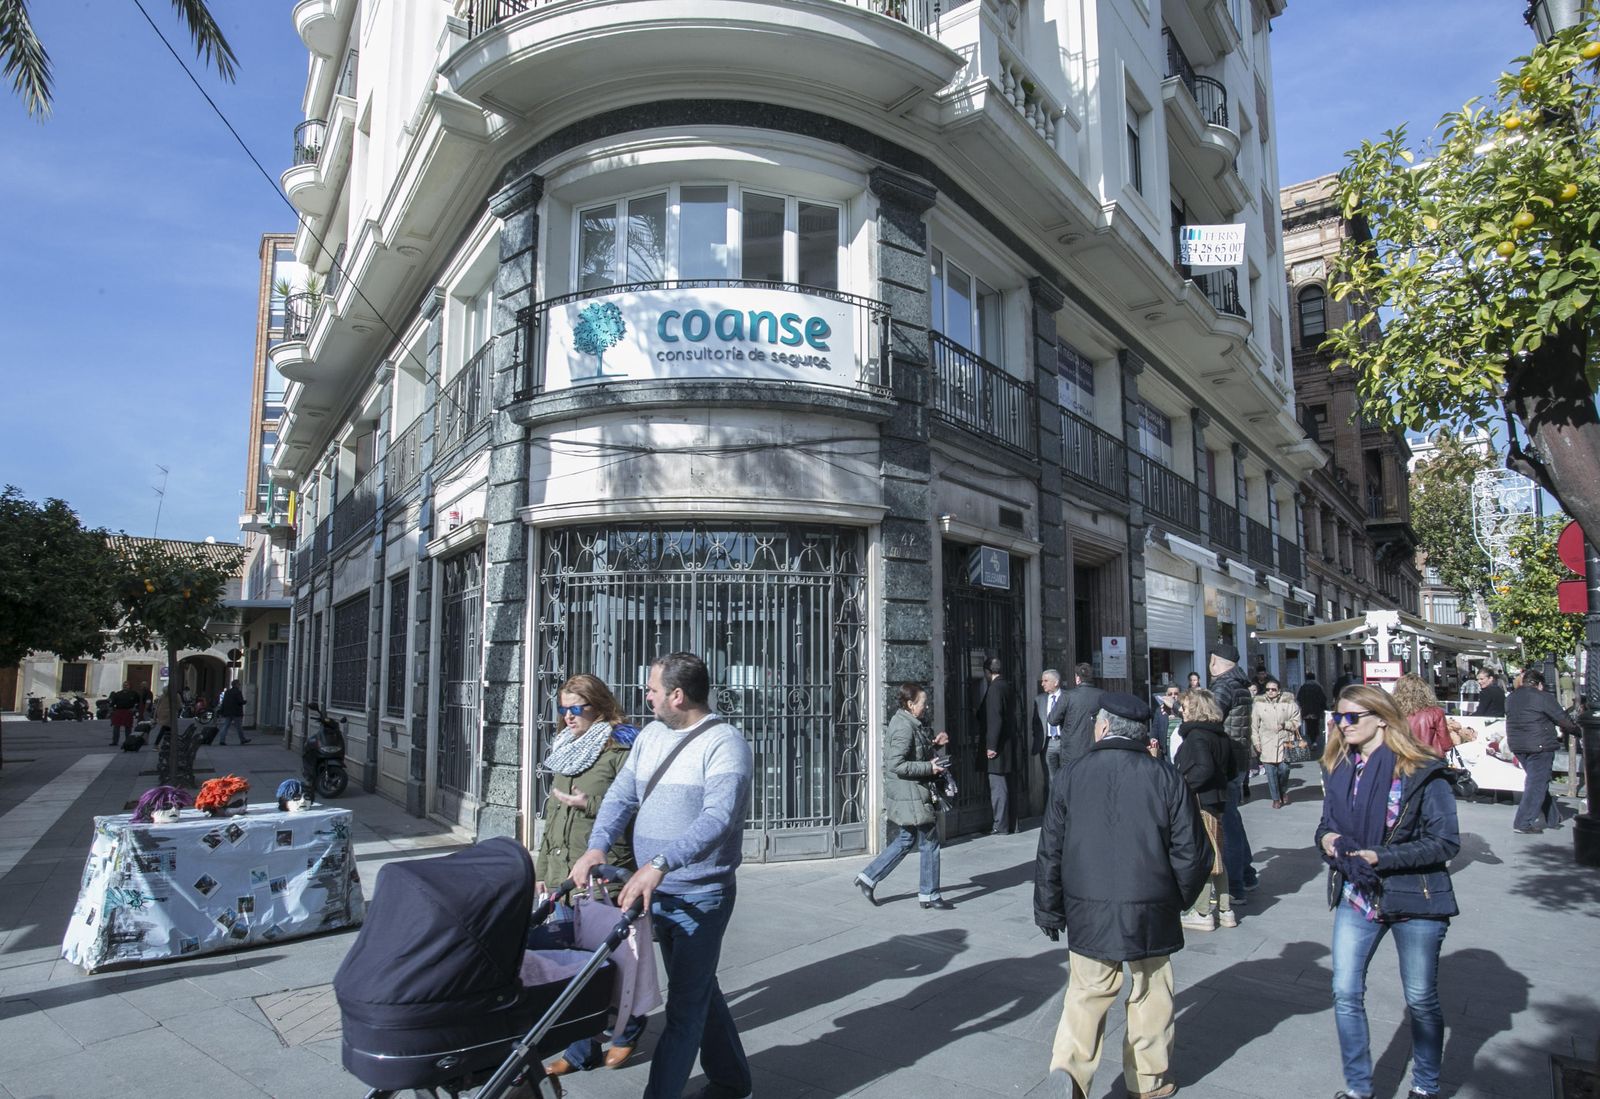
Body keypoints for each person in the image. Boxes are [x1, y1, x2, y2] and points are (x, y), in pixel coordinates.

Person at [571, 652, 753, 1099]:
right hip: (653, 891)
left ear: (677, 694)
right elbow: (620, 796)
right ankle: (734, 1082)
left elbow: (719, 819)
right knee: (700, 988)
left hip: (700, 896)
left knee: (685, 1010)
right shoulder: (651, 735)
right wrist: (597, 845)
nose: (645, 696)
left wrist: (660, 864)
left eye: (652, 689)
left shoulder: (726, 743)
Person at [1035, 692, 1210, 1099]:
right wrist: (1174, 898)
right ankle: (1148, 1081)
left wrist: (1048, 907)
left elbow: (1051, 849)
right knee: (1151, 993)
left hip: (1087, 906)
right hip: (1150, 906)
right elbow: (1194, 851)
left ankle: (1070, 1072)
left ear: (1103, 727)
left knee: (1086, 993)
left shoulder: (1072, 774)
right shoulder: (1165, 776)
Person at [1316, 684, 1460, 1099]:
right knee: (1344, 991)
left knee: (1419, 999)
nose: (1343, 726)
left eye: (1352, 717)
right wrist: (1327, 840)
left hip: (1415, 898)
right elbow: (1326, 825)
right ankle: (1360, 1089)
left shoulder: (1421, 770)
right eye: (1338, 718)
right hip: (1358, 895)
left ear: (1381, 717)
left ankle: (1427, 1086)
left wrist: (1381, 857)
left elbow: (1446, 842)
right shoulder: (1339, 767)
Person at [537, 674, 647, 1079]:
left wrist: (590, 802)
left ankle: (625, 1032)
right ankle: (583, 1046)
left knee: (614, 964)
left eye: (576, 708)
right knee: (577, 967)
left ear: (598, 705)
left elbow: (635, 808)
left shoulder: (621, 748)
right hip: (565, 878)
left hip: (605, 876)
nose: (567, 717)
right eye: (563, 709)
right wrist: (543, 871)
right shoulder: (565, 749)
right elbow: (552, 818)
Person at [855, 682, 953, 910]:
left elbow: (913, 751)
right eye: (923, 703)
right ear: (910, 704)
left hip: (911, 793)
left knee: (907, 839)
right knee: (929, 840)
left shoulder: (909, 723)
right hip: (910, 793)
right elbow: (897, 764)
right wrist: (930, 768)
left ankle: (868, 877)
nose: (925, 707)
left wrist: (933, 744)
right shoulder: (903, 726)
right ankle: (929, 894)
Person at [1174, 688, 1236, 932]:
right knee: (1216, 853)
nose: (1181, 710)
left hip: (1200, 801)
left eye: (1185, 706)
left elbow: (1204, 768)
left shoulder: (1198, 735)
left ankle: (1201, 911)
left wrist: (1183, 785)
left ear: (1197, 709)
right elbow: (1231, 770)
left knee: (1203, 855)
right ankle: (1225, 909)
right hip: (1218, 800)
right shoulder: (1220, 734)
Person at [1208, 643, 1258, 896]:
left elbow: (1209, 716)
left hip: (1225, 761)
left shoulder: (1224, 685)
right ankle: (1247, 874)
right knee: (1233, 819)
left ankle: (1235, 884)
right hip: (1237, 759)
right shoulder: (1239, 684)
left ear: (1215, 661)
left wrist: (1176, 708)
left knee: (1227, 824)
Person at [1505, 668, 1578, 834]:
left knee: (1538, 781)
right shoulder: (1543, 697)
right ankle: (1523, 822)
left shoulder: (1511, 698)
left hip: (1518, 745)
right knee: (1536, 784)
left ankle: (1553, 818)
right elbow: (1563, 720)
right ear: (1539, 684)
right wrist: (1578, 731)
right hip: (1539, 745)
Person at [974, 656, 1018, 834]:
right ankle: (1011, 823)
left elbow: (995, 718)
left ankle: (1000, 825)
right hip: (1008, 744)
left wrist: (991, 745)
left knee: (998, 786)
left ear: (987, 672)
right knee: (1008, 785)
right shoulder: (1007, 686)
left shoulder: (994, 689)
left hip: (997, 747)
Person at [1251, 677, 1301, 808]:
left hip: (1285, 742)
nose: (1270, 692)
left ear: (1279, 691)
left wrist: (1285, 724)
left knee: (1284, 769)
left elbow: (1297, 722)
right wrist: (1256, 742)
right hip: (1266, 741)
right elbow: (1254, 726)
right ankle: (1276, 799)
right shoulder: (1259, 705)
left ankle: (1283, 791)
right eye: (1268, 689)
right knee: (1271, 772)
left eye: (1273, 689)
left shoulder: (1289, 704)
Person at [1047, 661, 1105, 774]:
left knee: (1072, 785)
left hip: (1072, 751)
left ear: (1077, 678)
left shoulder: (1068, 696)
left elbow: (1052, 720)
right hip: (1096, 749)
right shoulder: (1103, 695)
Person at [1392, 674, 1453, 756]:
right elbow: (1446, 745)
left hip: (1403, 759)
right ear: (1425, 691)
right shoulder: (1435, 712)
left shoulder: (1394, 713)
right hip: (1430, 760)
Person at [1034, 669, 1066, 780]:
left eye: (1046, 681)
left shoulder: (1068, 697)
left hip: (1064, 742)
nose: (1042, 684)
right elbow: (1036, 723)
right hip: (1047, 744)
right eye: (1042, 681)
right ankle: (1051, 798)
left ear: (1056, 682)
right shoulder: (1039, 700)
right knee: (1050, 779)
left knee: (1065, 776)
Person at [1296, 671, 1328, 752]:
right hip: (1316, 711)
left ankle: (1312, 740)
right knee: (1315, 725)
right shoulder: (1318, 687)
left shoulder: (1303, 687)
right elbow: (1323, 699)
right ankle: (1314, 741)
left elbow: (1299, 698)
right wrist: (1324, 708)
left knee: (1309, 726)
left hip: (1306, 711)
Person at [214, 679, 250, 745]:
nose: (239, 685)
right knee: (239, 727)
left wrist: (222, 711)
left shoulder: (227, 692)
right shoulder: (238, 692)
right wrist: (245, 702)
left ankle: (222, 740)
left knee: (225, 726)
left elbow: (224, 702)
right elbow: (240, 701)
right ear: (236, 685)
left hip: (228, 712)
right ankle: (242, 739)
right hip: (236, 712)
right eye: (239, 684)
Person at [1153, 684, 1181, 761]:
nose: (1173, 696)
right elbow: (1155, 728)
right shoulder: (1160, 710)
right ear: (1166, 695)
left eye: (1176, 694)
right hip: (1166, 748)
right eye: (1170, 694)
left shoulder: (1184, 710)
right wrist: (1153, 739)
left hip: (1181, 747)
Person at [108, 680, 139, 747]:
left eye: (127, 685)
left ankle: (128, 741)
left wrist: (134, 709)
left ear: (129, 686)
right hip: (119, 711)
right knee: (116, 727)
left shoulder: (134, 693)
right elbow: (112, 704)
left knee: (128, 727)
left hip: (128, 712)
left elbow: (138, 702)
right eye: (124, 685)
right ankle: (115, 741)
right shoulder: (118, 694)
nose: (125, 686)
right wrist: (112, 712)